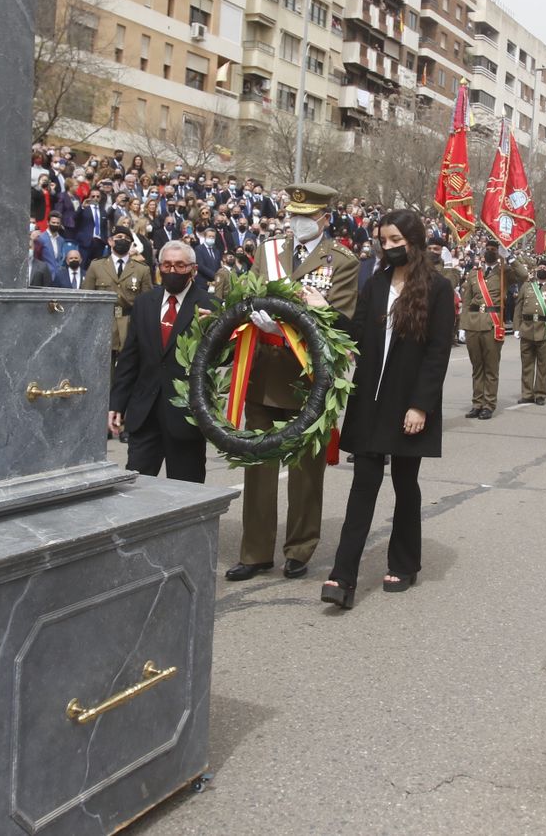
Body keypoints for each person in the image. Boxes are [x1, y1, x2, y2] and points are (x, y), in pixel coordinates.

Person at [322, 211, 455, 609]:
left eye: (396, 239)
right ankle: (342, 576)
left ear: (413, 240)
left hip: (407, 404)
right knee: (362, 487)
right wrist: (321, 309)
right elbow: (357, 332)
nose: (389, 246)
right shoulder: (376, 283)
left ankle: (404, 562)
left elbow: (437, 354)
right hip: (370, 403)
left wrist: (420, 406)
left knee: (404, 483)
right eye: (383, 239)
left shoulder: (438, 288)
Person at [227, 182, 359, 583]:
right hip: (264, 371)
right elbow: (246, 293)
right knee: (259, 466)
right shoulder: (268, 251)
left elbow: (338, 317)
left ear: (324, 218)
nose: (297, 223)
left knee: (305, 472)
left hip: (308, 378)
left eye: (305, 217)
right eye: (292, 216)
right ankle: (255, 551)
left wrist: (289, 324)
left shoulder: (341, 260)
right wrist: (253, 314)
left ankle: (299, 548)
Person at [108, 241, 213, 483]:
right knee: (136, 489)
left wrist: (214, 328)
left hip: (186, 417)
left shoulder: (209, 306)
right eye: (167, 265)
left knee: (186, 489)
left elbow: (223, 358)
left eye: (180, 265)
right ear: (159, 267)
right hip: (145, 414)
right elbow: (129, 358)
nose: (173, 271)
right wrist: (117, 403)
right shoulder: (145, 303)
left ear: (193, 269)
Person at [458, 235, 528, 419]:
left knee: (491, 367)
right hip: (473, 323)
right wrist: (462, 326)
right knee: (477, 366)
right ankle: (477, 403)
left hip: (492, 324)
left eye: (494, 249)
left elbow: (524, 275)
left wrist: (510, 256)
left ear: (499, 252)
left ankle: (489, 404)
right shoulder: (474, 274)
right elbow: (466, 302)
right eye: (488, 248)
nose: (490, 251)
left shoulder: (505, 272)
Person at [85, 228, 152, 372]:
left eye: (127, 239)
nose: (123, 240)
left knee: (127, 371)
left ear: (131, 244)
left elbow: (148, 304)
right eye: (119, 237)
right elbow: (86, 299)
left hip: (129, 324)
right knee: (101, 371)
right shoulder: (96, 266)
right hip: (103, 324)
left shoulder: (142, 269)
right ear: (110, 241)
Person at [516, 258, 546, 405]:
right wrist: (516, 327)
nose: (542, 270)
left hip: (545, 330)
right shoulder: (527, 286)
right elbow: (518, 307)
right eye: (540, 267)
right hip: (527, 329)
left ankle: (540, 394)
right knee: (527, 364)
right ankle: (527, 393)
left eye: (545, 269)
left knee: (543, 365)